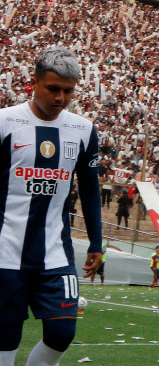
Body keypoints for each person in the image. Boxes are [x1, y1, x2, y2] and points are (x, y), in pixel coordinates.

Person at [0, 47, 104, 366]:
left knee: (62, 333)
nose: (61, 98)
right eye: (53, 89)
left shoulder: (83, 130)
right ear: (34, 82)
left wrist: (97, 243)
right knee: (5, 338)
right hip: (6, 251)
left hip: (55, 253)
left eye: (68, 91)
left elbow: (89, 189)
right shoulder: (5, 122)